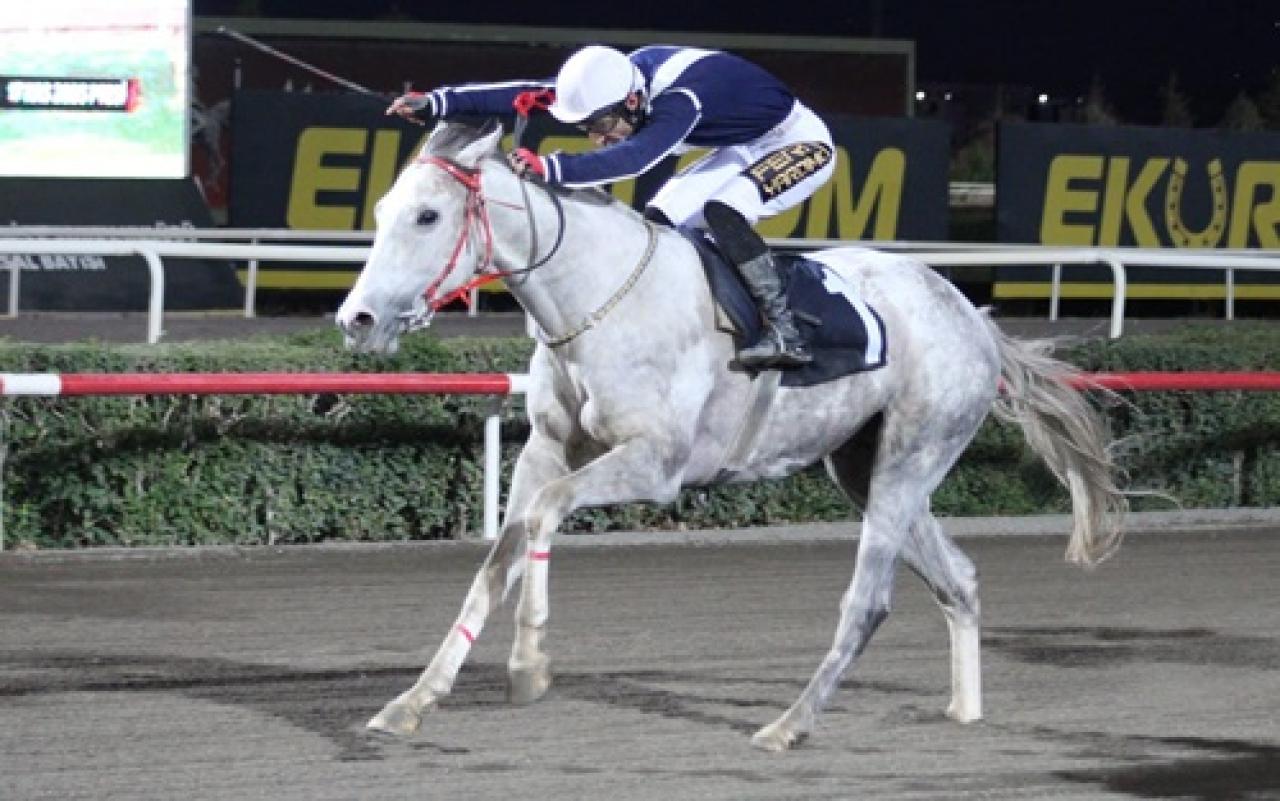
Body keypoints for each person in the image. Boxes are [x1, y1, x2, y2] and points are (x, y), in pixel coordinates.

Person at [387, 45, 836, 369]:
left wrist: (552, 168)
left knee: (725, 208)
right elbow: (526, 92)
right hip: (742, 144)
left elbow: (635, 157)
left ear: (634, 101)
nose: (597, 136)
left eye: (602, 125)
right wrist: (436, 102)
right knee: (660, 221)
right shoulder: (619, 83)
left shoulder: (680, 101)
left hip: (799, 142)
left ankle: (787, 332)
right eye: (587, 127)